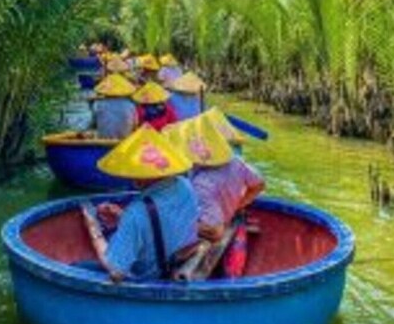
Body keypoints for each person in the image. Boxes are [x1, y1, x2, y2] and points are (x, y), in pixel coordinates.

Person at [80, 125, 199, 281]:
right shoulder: (185, 185)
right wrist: (122, 216)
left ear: (138, 176)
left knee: (78, 266)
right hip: (176, 263)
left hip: (150, 280)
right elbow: (165, 222)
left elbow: (116, 271)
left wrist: (93, 228)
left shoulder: (137, 212)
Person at [167, 112, 265, 241]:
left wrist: (178, 224)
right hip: (225, 214)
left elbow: (215, 231)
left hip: (212, 230)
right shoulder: (236, 161)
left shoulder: (202, 184)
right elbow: (259, 184)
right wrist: (239, 205)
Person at [91, 74, 137, 139]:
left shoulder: (98, 104)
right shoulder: (131, 105)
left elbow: (93, 124)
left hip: (103, 141)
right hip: (125, 142)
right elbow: (135, 125)